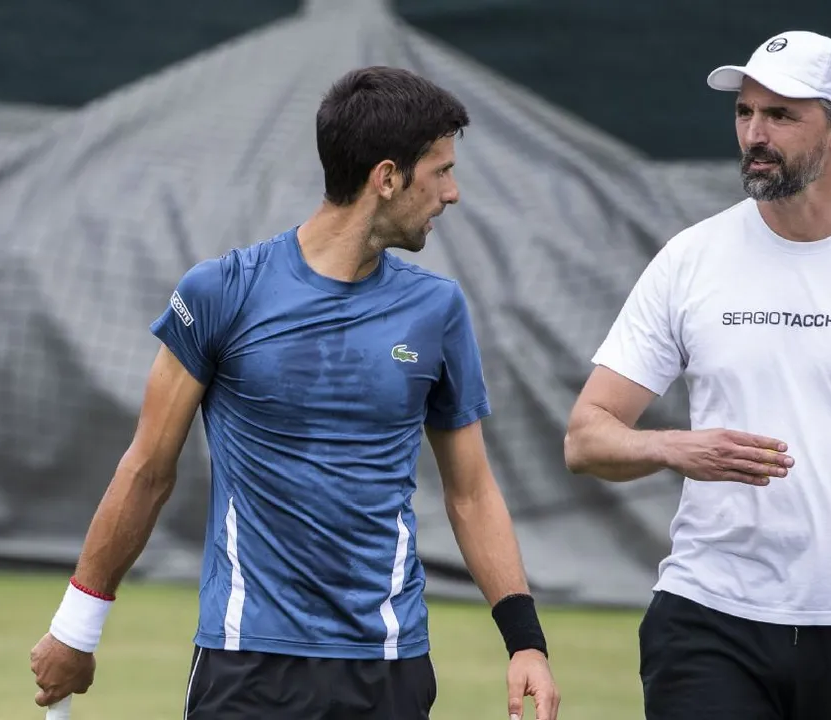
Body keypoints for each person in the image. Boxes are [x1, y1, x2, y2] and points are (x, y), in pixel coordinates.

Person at [29, 65, 560, 720]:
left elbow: (472, 492)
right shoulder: (220, 291)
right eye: (440, 171)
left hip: (388, 667)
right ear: (386, 178)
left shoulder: (438, 310)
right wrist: (77, 629)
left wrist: (526, 644)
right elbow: (146, 471)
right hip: (245, 665)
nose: (453, 193)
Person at [563, 30, 831, 720]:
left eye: (782, 115)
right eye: (745, 113)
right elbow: (587, 436)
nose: (754, 134)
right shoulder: (690, 258)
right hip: (707, 619)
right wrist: (675, 448)